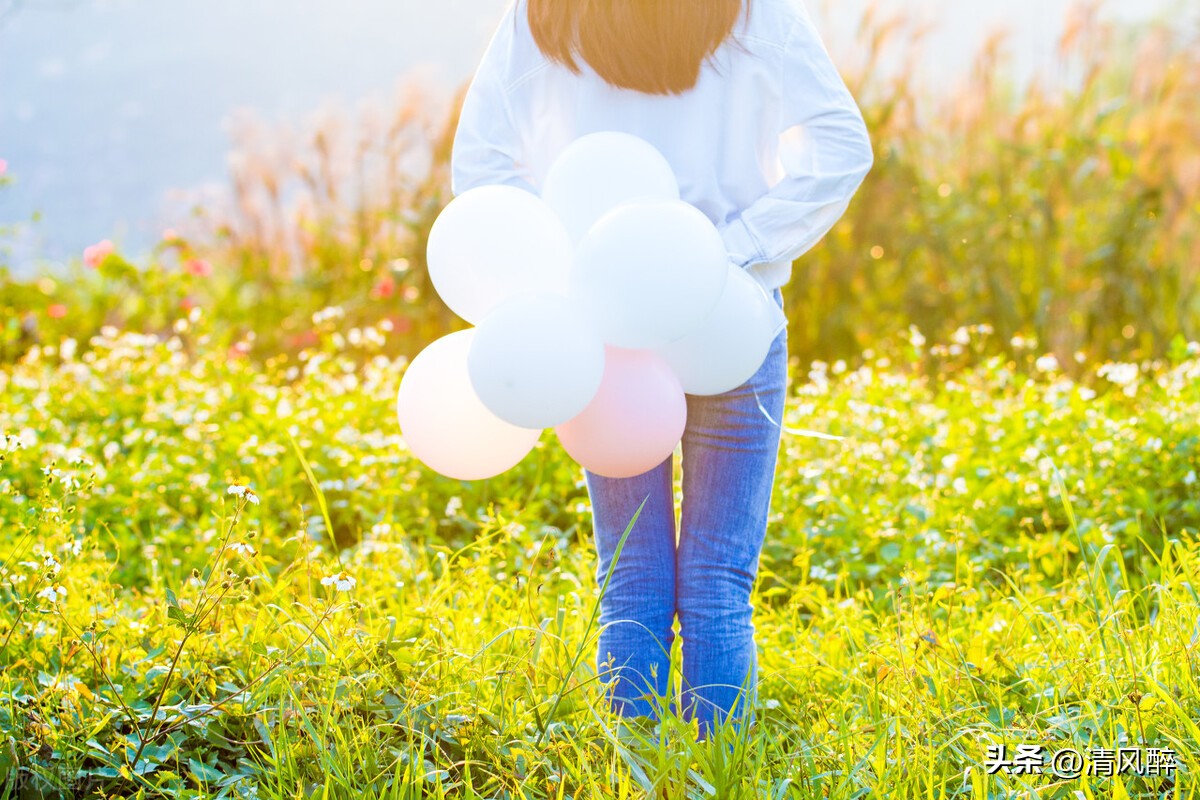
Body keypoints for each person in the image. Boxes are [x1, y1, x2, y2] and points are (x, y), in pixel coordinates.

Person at [450, 0, 873, 742]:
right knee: (718, 580)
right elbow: (842, 148)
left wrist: (574, 252)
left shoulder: (544, 12)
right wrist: (728, 248)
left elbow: (481, 164)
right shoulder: (753, 10)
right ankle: (715, 773)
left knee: (630, 578)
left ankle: (633, 773)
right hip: (731, 314)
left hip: (602, 332)